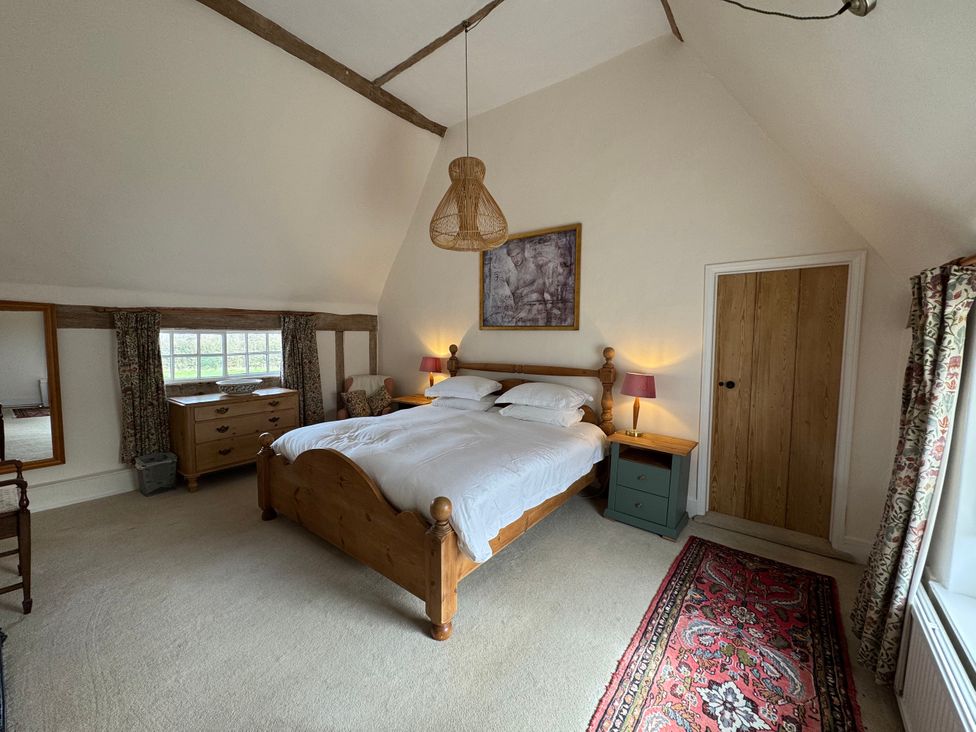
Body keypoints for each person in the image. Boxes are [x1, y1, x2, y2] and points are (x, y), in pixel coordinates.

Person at [504, 242, 548, 326]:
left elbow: (541, 286)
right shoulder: (509, 275)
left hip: (537, 309)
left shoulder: (534, 265)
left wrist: (525, 290)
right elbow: (510, 297)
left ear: (523, 251)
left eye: (517, 254)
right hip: (519, 313)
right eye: (512, 257)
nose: (516, 259)